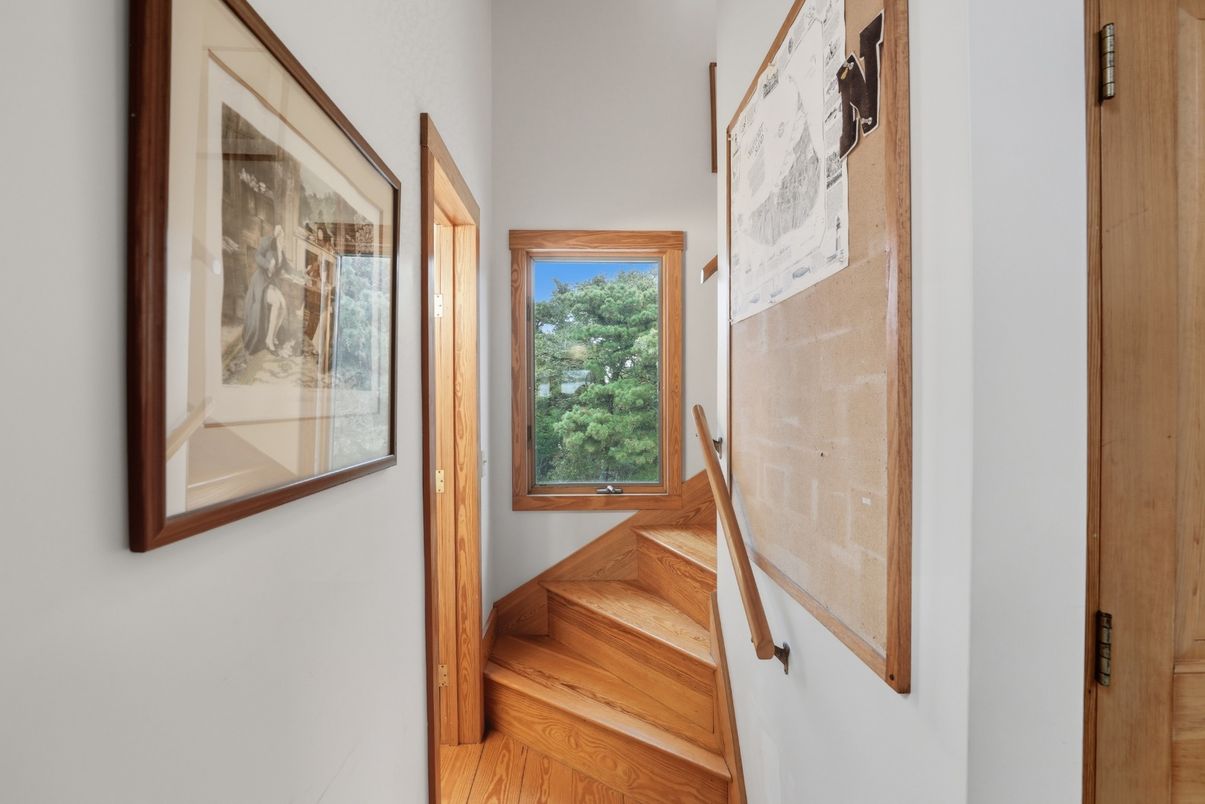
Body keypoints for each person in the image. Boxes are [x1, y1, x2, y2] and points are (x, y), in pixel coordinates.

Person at [243, 225, 291, 355]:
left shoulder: (281, 252)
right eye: (280, 236)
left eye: (283, 236)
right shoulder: (267, 243)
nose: (282, 238)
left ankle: (273, 335)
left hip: (272, 283)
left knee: (283, 306)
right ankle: (268, 340)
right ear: (275, 235)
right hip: (261, 282)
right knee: (276, 302)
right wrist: (267, 264)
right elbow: (257, 256)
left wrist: (304, 274)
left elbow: (288, 268)